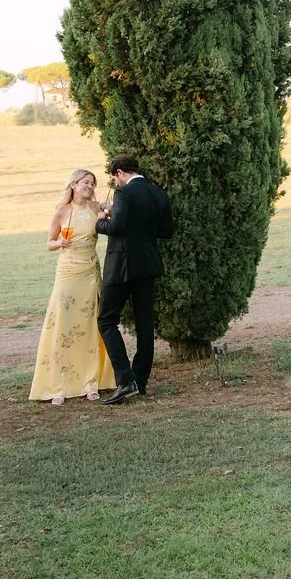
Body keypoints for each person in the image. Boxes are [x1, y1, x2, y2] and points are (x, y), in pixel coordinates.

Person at [29, 168, 116, 406]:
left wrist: (109, 212)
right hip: (68, 272)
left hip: (90, 271)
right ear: (74, 185)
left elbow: (111, 224)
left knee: (90, 324)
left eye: (92, 183)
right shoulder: (61, 211)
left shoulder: (96, 208)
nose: (90, 186)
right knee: (64, 324)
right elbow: (49, 243)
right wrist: (59, 242)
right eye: (86, 182)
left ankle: (91, 382)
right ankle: (60, 384)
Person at [95, 154, 174, 405]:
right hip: (148, 266)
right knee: (144, 326)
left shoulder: (124, 194)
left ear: (119, 172)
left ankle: (125, 378)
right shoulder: (158, 193)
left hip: (121, 266)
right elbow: (167, 231)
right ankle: (140, 381)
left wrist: (100, 221)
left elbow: (116, 228)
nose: (115, 184)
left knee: (106, 320)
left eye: (113, 178)